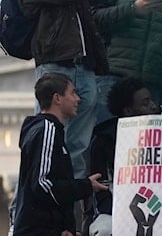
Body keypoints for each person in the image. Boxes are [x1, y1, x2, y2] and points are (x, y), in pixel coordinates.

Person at [13, 0, 129, 177]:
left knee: (78, 148)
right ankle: (28, 217)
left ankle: (71, 218)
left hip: (82, 66)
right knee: (49, 145)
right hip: (56, 66)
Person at [12, 74, 108, 236]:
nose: (78, 99)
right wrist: (85, 186)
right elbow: (43, 184)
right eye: (72, 93)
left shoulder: (47, 130)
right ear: (57, 98)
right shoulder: (47, 130)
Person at [87, 76, 160, 236]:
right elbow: (101, 190)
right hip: (113, 210)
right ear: (128, 111)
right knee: (105, 230)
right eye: (145, 103)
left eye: (152, 101)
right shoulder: (104, 141)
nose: (154, 106)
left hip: (159, 207)